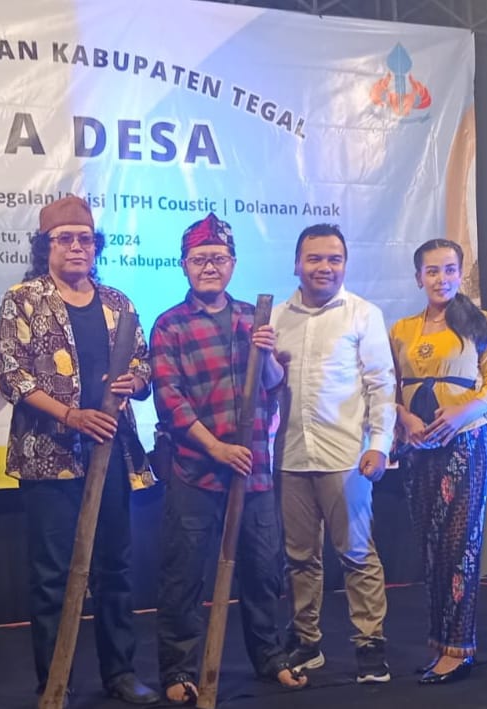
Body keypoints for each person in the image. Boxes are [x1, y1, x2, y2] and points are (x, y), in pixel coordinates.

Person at [0, 195, 159, 707]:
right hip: (49, 455)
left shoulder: (118, 302)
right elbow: (13, 376)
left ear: (96, 245)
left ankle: (121, 672)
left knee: (115, 567)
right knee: (52, 576)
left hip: (111, 452)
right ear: (44, 246)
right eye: (64, 238)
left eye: (85, 238)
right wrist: (71, 416)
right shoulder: (23, 299)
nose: (76, 247)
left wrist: (136, 380)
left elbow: (144, 364)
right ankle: (55, 681)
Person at [151, 213, 307, 705]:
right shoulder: (170, 325)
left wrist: (269, 356)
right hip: (196, 471)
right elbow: (170, 400)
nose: (209, 267)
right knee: (184, 576)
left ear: (233, 264)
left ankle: (270, 658)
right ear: (184, 265)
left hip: (254, 472)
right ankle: (179, 670)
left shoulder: (252, 319)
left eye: (218, 258)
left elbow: (274, 387)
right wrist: (215, 448)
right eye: (199, 259)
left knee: (262, 571)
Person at [271, 224, 396, 683]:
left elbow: (382, 384)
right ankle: (307, 643)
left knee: (358, 555)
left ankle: (370, 646)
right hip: (289, 457)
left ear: (345, 264)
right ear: (297, 264)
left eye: (334, 259)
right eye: (315, 258)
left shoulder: (363, 314)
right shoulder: (276, 319)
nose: (324, 267)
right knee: (299, 558)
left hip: (347, 457)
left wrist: (379, 445)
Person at [389, 238, 487, 685]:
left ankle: (460, 648)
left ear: (461, 274)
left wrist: (461, 412)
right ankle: (440, 643)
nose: (441, 278)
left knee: (461, 546)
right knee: (430, 548)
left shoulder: (480, 323)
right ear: (418, 277)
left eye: (449, 270)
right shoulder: (401, 329)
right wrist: (403, 416)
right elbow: (389, 386)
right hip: (418, 447)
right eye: (432, 271)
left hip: (464, 442)